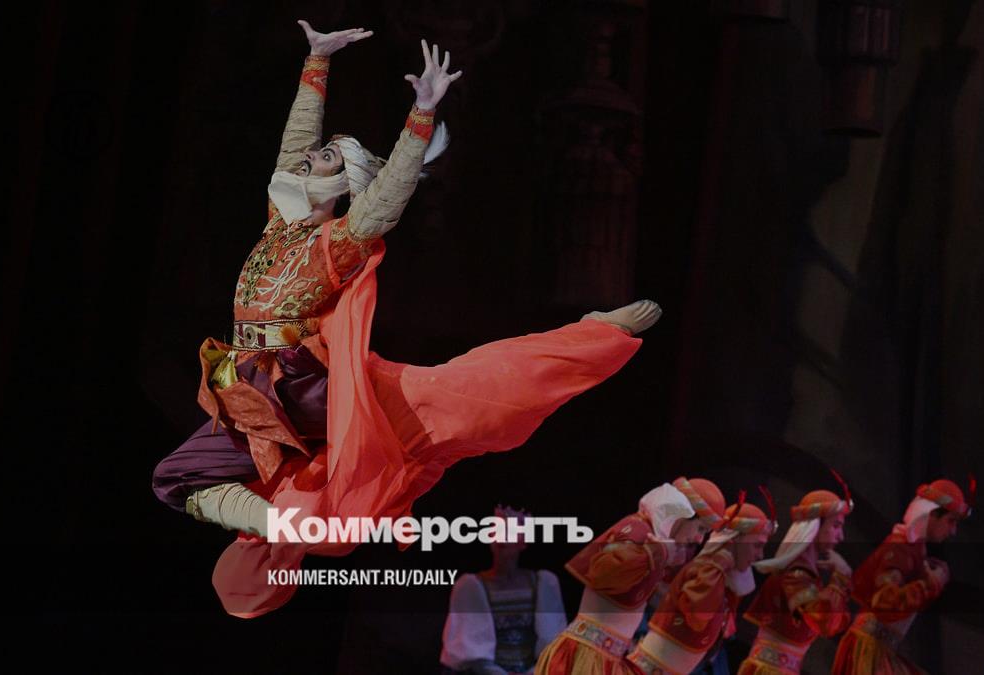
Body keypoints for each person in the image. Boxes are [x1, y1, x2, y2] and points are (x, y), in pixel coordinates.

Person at [150, 20, 662, 618]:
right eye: (317, 152)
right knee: (444, 399)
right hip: (254, 389)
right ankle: (284, 531)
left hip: (296, 390)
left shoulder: (337, 243)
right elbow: (294, 146)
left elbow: (388, 197)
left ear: (341, 185)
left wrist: (422, 112)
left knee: (462, 395)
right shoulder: (280, 223)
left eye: (326, 156)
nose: (311, 155)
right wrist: (317, 62)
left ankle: (594, 336)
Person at [534, 478, 726, 675]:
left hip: (604, 659)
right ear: (682, 514)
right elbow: (604, 573)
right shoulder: (638, 529)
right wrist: (656, 554)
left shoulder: (652, 540)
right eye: (701, 528)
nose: (699, 539)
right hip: (586, 657)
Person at [830, 477, 971, 675]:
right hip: (868, 652)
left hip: (881, 650)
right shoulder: (900, 548)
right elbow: (886, 603)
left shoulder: (914, 549)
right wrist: (931, 583)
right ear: (931, 514)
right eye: (951, 521)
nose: (953, 531)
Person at [627, 495, 777, 675]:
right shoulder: (708, 571)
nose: (760, 555)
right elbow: (698, 618)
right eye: (757, 546)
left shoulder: (722, 579)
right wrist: (720, 564)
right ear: (734, 540)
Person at [739, 485, 853, 674]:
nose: (841, 536)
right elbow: (825, 623)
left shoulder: (804, 572)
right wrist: (841, 577)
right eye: (835, 526)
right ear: (815, 527)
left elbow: (837, 622)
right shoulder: (796, 574)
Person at [441, 506, 568, 675]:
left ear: (523, 542)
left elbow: (554, 644)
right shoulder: (471, 587)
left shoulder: (542, 583)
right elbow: (470, 650)